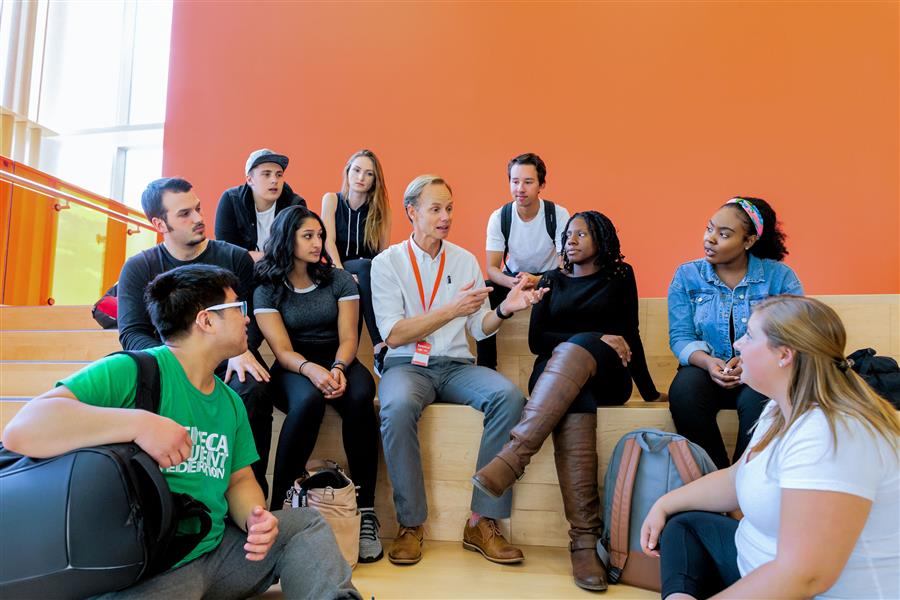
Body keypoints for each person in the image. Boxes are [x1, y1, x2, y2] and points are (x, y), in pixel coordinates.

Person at [2, 265, 361, 600]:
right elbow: (22, 430)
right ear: (206, 320)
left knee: (304, 525)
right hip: (149, 566)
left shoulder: (230, 400)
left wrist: (255, 518)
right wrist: (140, 424)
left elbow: (238, 479)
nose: (247, 317)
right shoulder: (132, 371)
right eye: (238, 307)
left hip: (216, 552)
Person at [640, 295, 899, 600]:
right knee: (684, 525)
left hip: (804, 591)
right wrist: (665, 503)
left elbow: (805, 577)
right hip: (755, 566)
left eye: (749, 335)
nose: (737, 345)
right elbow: (738, 476)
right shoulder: (779, 406)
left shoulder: (830, 433)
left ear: (784, 355)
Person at [473, 211, 665, 591]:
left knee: (578, 356)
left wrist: (648, 390)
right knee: (575, 393)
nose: (571, 239)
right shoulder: (550, 281)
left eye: (582, 233)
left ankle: (514, 457)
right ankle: (583, 543)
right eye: (568, 234)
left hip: (608, 375)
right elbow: (536, 342)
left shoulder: (619, 277)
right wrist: (595, 335)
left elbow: (630, 336)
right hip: (555, 381)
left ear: (602, 238)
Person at [370, 174, 547, 566]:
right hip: (406, 366)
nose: (446, 216)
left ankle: (482, 521)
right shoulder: (387, 263)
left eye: (449, 208)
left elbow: (478, 326)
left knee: (510, 397)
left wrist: (504, 309)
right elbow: (395, 334)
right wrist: (452, 309)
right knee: (395, 407)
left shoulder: (464, 259)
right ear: (411, 213)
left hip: (455, 365)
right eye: (435, 209)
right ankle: (411, 524)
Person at [118, 177, 274, 497]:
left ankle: (252, 498)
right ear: (160, 223)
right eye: (185, 214)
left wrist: (240, 349)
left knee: (254, 388)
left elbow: (252, 318)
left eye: (199, 209)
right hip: (169, 366)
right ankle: (164, 496)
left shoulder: (233, 258)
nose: (200, 219)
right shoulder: (139, 268)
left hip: (225, 359)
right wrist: (182, 363)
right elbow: (132, 334)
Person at [254, 205, 382, 563]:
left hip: (338, 358)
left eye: (320, 236)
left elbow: (348, 338)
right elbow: (281, 350)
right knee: (308, 400)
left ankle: (367, 510)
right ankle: (280, 506)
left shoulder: (338, 279)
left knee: (360, 394)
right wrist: (311, 370)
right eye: (307, 236)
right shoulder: (267, 288)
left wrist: (339, 367)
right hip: (293, 366)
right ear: (286, 239)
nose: (317, 242)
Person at [667, 197, 803, 468]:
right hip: (705, 370)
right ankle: (713, 476)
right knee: (684, 391)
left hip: (761, 368)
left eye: (724, 234)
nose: (710, 239)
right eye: (709, 228)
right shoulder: (687, 275)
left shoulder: (780, 277)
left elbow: (793, 335)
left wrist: (753, 358)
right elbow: (680, 336)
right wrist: (707, 362)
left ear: (749, 241)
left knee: (763, 399)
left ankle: (744, 479)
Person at [476, 152, 570, 370]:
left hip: (550, 277)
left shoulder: (557, 214)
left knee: (568, 286)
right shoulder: (500, 217)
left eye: (528, 182)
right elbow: (492, 268)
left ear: (541, 184)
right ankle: (486, 367)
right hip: (514, 278)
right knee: (485, 290)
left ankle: (557, 365)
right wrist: (512, 284)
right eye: (515, 181)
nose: (520, 188)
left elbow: (564, 265)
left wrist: (538, 280)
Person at [321, 149, 392, 374]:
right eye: (357, 170)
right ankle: (379, 344)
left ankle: (349, 363)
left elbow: (381, 254)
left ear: (374, 180)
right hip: (336, 268)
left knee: (366, 266)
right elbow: (328, 242)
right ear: (348, 172)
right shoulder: (332, 200)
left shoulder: (380, 211)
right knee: (362, 266)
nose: (361, 177)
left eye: (368, 174)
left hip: (368, 275)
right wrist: (343, 274)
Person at [216, 148, 307, 262]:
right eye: (266, 174)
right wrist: (270, 257)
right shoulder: (232, 200)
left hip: (282, 274)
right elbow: (225, 253)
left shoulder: (294, 205)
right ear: (250, 180)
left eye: (279, 175)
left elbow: (296, 253)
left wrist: (253, 256)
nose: (274, 180)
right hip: (242, 274)